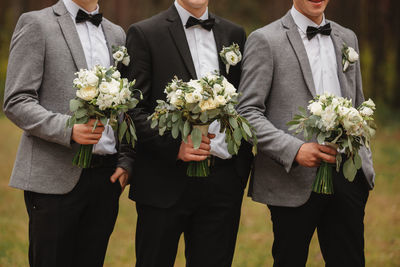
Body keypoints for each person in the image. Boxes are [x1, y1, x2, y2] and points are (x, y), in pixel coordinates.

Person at [237, 0, 375, 266]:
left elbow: (358, 103)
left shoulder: (347, 38)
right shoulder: (265, 40)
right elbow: (247, 112)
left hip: (346, 176)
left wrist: (364, 166)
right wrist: (294, 150)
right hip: (291, 181)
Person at [122, 0, 253, 266]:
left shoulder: (235, 34)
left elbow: (245, 103)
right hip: (163, 181)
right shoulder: (144, 33)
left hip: (223, 182)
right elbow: (131, 110)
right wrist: (175, 147)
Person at [3, 0, 133, 266]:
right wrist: (68, 129)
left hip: (106, 180)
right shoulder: (36, 23)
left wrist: (126, 160)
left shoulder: (118, 33)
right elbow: (16, 101)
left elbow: (125, 104)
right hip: (54, 177)